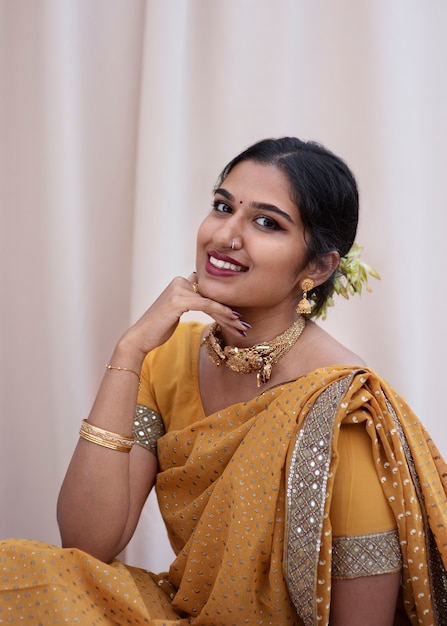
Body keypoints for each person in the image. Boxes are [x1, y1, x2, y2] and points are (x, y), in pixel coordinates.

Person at [1, 137, 447, 626]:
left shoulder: (342, 410)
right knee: (16, 571)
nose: (225, 235)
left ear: (318, 267)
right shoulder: (167, 358)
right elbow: (86, 542)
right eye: (222, 206)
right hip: (185, 613)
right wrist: (128, 351)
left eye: (266, 222)